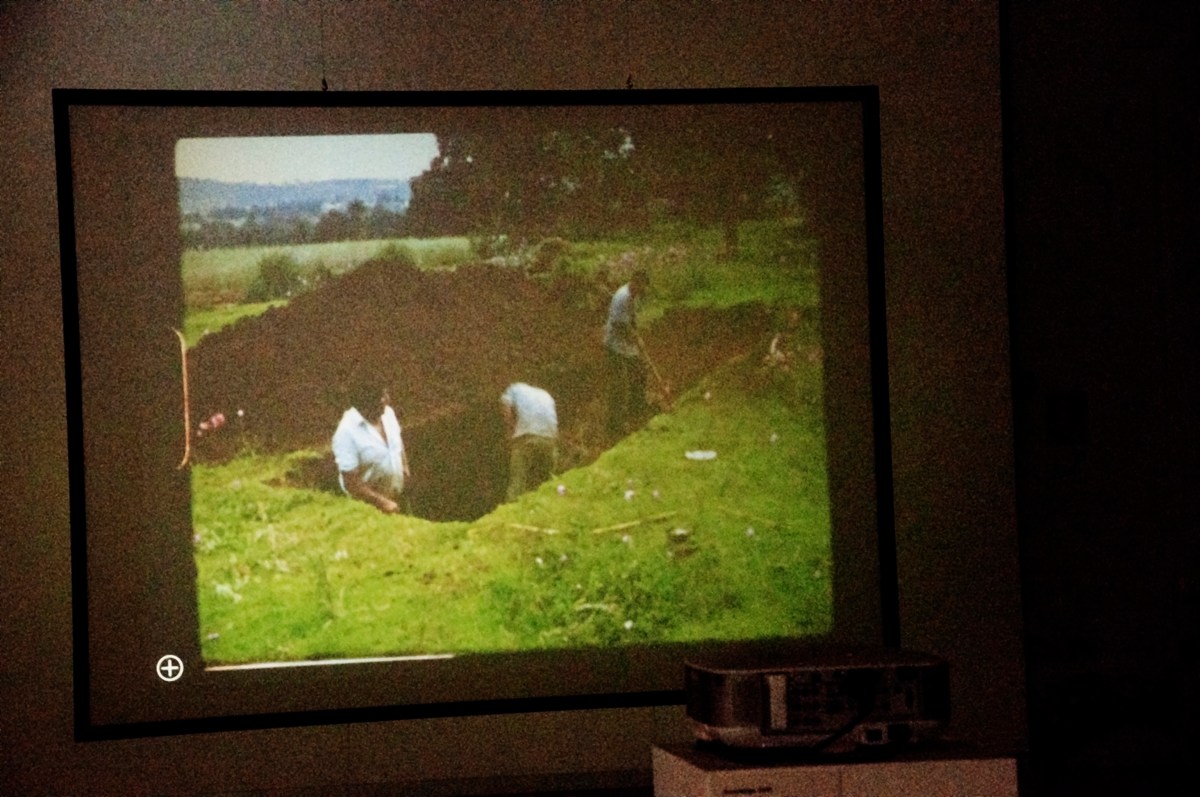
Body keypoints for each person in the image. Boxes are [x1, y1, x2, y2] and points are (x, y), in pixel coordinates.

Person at [331, 386, 410, 514]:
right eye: (382, 397)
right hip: (370, 510)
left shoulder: (388, 413)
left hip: (397, 500)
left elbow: (397, 441)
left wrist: (405, 467)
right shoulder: (346, 432)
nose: (387, 400)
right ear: (366, 401)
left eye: (386, 394)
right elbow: (351, 483)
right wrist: (383, 503)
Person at [603, 268, 651, 436]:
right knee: (619, 385)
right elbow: (619, 324)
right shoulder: (621, 297)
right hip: (615, 346)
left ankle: (637, 410)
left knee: (640, 373)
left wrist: (637, 337)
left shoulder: (632, 296)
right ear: (636, 282)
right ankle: (615, 425)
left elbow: (631, 320)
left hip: (626, 345)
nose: (644, 291)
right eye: (643, 286)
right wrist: (633, 338)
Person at [499, 382, 558, 501]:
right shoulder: (546, 394)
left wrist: (510, 430)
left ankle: (511, 509)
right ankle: (544, 506)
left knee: (518, 478)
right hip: (549, 438)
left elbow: (505, 407)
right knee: (545, 479)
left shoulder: (513, 388)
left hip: (526, 436)